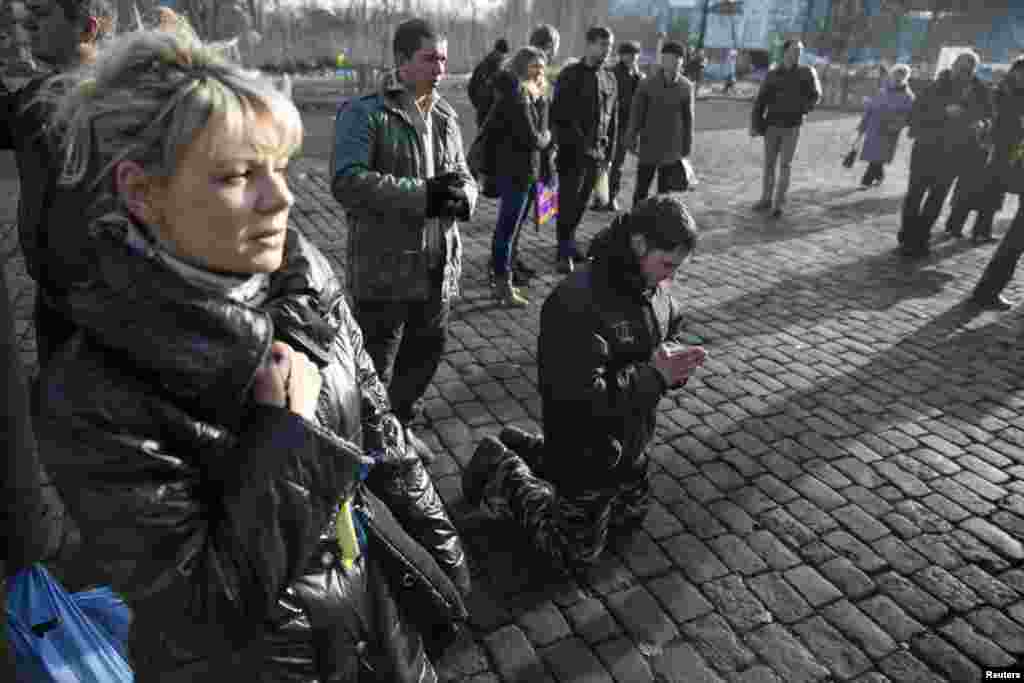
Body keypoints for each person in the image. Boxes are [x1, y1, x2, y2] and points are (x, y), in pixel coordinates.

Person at [34, 16, 469, 681]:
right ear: (140, 192)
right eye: (240, 175)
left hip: (380, 628)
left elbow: (381, 424)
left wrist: (438, 543)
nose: (283, 197)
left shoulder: (305, 276)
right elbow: (200, 615)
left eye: (280, 166)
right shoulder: (94, 396)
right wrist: (286, 438)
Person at [463, 195, 707, 572]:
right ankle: (500, 465)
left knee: (631, 517)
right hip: (585, 446)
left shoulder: (655, 289)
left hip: (627, 443)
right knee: (573, 550)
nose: (670, 278)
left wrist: (671, 366)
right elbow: (578, 400)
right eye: (666, 264)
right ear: (639, 245)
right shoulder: (576, 301)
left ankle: (528, 448)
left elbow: (660, 340)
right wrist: (655, 376)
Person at [333, 19, 477, 463]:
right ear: (401, 61)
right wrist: (425, 195)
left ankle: (399, 427)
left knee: (425, 353)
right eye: (430, 58)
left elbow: (464, 174)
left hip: (438, 266)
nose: (440, 67)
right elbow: (348, 182)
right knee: (372, 363)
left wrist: (463, 196)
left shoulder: (447, 115)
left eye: (444, 59)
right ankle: (364, 444)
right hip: (384, 268)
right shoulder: (366, 112)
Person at [0, 0, 114, 368]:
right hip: (51, 295)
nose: (30, 24)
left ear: (87, 27)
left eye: (43, 14)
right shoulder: (34, 98)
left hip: (106, 301)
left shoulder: (123, 102)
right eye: (28, 14)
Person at [485, 23, 561, 287]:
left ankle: (507, 267)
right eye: (536, 66)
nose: (541, 70)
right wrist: (547, 139)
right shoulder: (518, 93)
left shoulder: (530, 88)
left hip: (529, 165)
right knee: (508, 225)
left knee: (515, 223)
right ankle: (501, 273)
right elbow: (531, 133)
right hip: (518, 166)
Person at [898, 50, 992, 259]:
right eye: (961, 67)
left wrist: (983, 124)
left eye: (969, 69)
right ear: (954, 66)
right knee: (915, 195)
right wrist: (943, 112)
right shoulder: (935, 86)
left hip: (955, 153)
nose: (964, 72)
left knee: (937, 197)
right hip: (927, 148)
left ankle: (921, 237)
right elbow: (914, 116)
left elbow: (989, 116)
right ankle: (907, 234)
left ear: (974, 70)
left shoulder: (980, 91)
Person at [550, 25, 618, 274]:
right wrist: (575, 145)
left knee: (581, 204)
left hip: (598, 154)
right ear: (589, 44)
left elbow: (614, 120)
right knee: (567, 203)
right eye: (602, 45)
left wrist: (609, 156)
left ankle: (569, 243)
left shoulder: (610, 78)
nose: (606, 50)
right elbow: (559, 114)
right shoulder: (570, 75)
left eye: (609, 46)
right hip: (573, 153)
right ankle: (562, 252)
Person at [969, 56, 1024, 310]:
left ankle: (987, 290)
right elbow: (1004, 137)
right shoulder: (1009, 99)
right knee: (1015, 240)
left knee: (1015, 240)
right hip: (1009, 166)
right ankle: (987, 291)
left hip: (1010, 167)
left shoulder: (1010, 97)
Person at [946, 63, 1022, 244]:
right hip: (983, 146)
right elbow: (984, 115)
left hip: (1006, 149)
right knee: (969, 186)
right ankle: (954, 226)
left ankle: (982, 230)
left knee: (994, 191)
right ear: (1015, 72)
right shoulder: (995, 91)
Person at [750, 39, 821, 219]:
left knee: (785, 164)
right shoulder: (773, 74)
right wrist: (755, 125)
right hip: (772, 125)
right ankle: (766, 199)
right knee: (768, 164)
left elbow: (816, 95)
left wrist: (802, 109)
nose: (797, 53)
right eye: (794, 49)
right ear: (785, 52)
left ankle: (778, 204)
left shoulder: (807, 72)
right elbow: (761, 100)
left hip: (792, 126)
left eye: (800, 50)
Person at [626, 40, 694, 206]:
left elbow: (688, 118)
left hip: (672, 147)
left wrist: (687, 145)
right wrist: (631, 137)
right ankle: (636, 220)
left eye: (676, 59)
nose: (672, 62)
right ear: (662, 60)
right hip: (650, 143)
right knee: (642, 188)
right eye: (668, 58)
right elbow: (637, 113)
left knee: (665, 192)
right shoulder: (647, 84)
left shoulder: (686, 87)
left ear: (682, 61)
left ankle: (659, 223)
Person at [854, 64, 915, 188]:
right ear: (892, 75)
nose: (898, 77)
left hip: (889, 130)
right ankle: (880, 176)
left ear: (906, 77)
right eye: (896, 74)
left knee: (878, 156)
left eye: (901, 75)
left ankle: (866, 181)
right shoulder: (883, 90)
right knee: (875, 156)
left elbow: (909, 116)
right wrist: (863, 123)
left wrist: (897, 125)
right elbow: (872, 107)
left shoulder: (908, 96)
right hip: (875, 126)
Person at [602, 39, 643, 212]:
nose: (632, 58)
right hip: (609, 124)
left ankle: (610, 197)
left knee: (617, 163)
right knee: (605, 162)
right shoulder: (612, 72)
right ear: (622, 55)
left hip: (626, 125)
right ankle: (601, 197)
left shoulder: (637, 76)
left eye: (635, 54)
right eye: (629, 54)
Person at [467, 37, 509, 128]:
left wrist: (479, 106)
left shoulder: (484, 66)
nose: (503, 57)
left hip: (489, 114)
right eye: (503, 54)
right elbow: (471, 89)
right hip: (489, 114)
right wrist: (481, 106)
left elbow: (471, 89)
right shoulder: (492, 68)